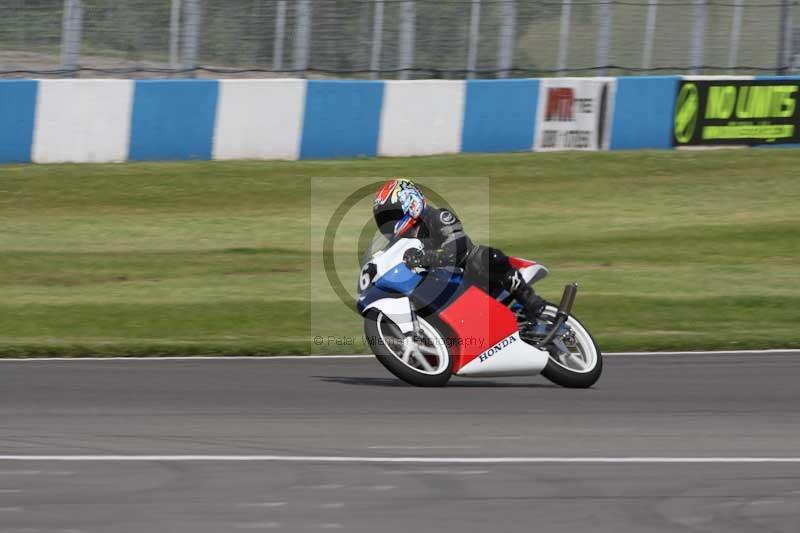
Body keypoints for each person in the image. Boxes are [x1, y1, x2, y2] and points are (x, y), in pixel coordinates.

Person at [372, 178, 546, 319]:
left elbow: (457, 247)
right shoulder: (399, 243)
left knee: (482, 256)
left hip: (469, 280)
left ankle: (532, 301)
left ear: (411, 202)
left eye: (391, 215)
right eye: (384, 219)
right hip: (437, 289)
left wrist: (423, 257)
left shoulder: (438, 217)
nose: (389, 223)